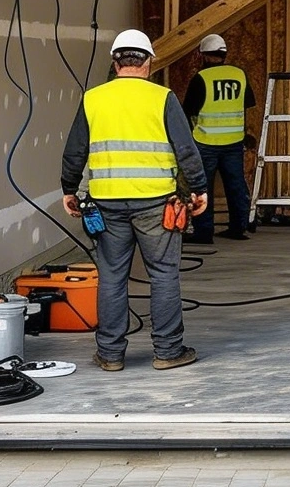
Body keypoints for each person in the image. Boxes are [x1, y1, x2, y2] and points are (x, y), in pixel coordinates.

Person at [60, 28, 208, 372]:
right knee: (164, 274)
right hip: (157, 204)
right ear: (149, 63)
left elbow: (75, 152)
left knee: (111, 276)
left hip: (106, 204)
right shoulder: (163, 98)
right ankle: (168, 352)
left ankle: (111, 355)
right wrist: (199, 188)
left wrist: (70, 189)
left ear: (115, 63)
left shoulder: (92, 99)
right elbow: (186, 149)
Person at [181, 31, 254, 241]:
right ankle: (238, 228)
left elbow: (189, 111)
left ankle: (204, 232)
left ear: (203, 55)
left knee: (203, 187)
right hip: (233, 141)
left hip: (206, 142)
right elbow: (246, 105)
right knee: (236, 184)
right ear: (224, 54)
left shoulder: (201, 78)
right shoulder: (239, 75)